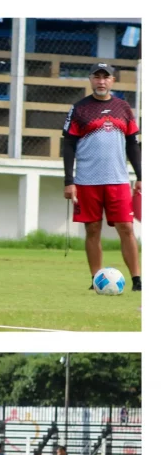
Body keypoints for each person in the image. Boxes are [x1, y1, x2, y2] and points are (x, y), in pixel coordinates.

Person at [63, 63, 142, 292]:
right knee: (92, 229)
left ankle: (137, 279)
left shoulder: (123, 108)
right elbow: (68, 145)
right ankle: (96, 278)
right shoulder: (79, 109)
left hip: (118, 179)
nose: (101, 81)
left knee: (126, 228)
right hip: (87, 181)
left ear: (112, 81)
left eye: (105, 77)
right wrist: (69, 181)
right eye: (97, 77)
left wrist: (141, 176)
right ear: (90, 79)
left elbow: (132, 144)